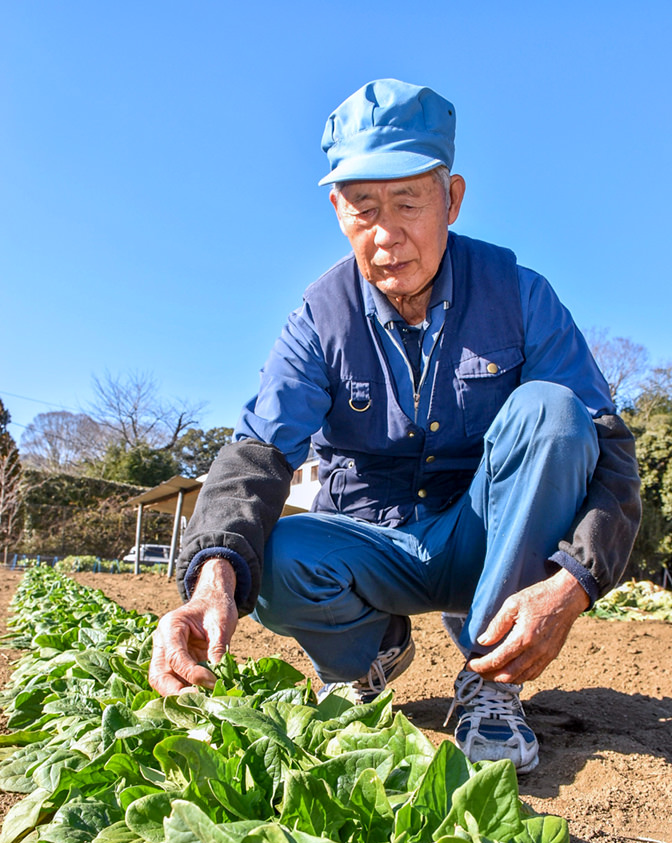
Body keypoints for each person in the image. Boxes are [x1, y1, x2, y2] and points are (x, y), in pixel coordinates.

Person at [149, 79, 640, 773]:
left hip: (485, 540)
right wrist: (212, 580)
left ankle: (490, 679)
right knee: (276, 553)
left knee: (555, 413)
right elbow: (256, 456)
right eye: (362, 208)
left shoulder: (520, 295)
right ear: (337, 212)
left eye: (408, 202)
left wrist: (573, 585)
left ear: (453, 198)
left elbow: (607, 448)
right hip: (372, 542)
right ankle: (368, 652)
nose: (385, 237)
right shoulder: (320, 319)